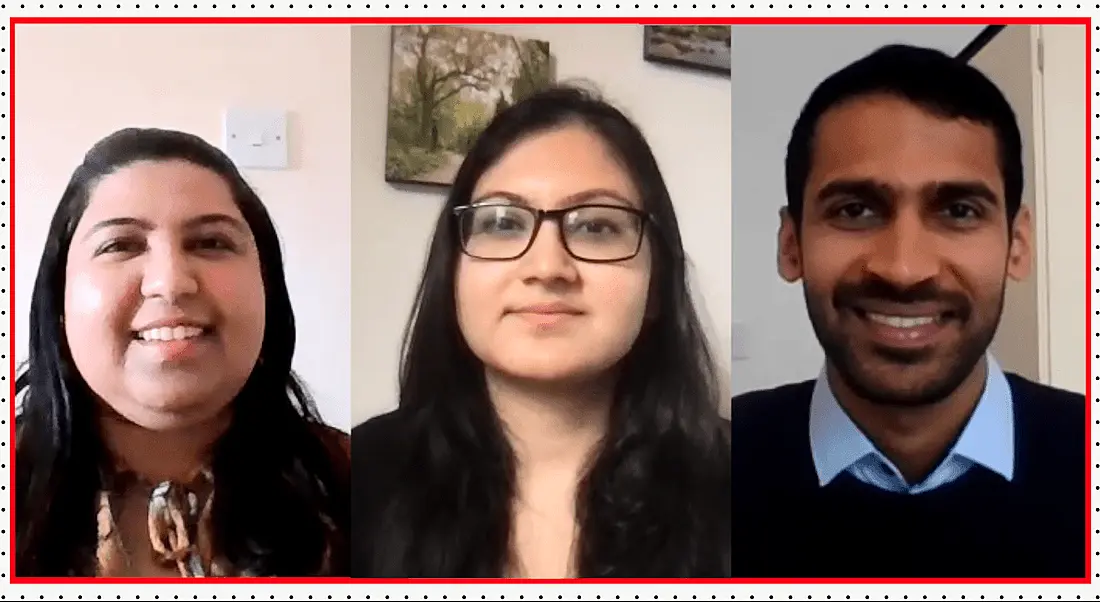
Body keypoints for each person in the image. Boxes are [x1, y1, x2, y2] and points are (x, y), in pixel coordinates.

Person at [729, 44, 1086, 578]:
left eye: (959, 211)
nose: (903, 269)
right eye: (855, 210)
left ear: (1017, 244)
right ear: (790, 244)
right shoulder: (700, 471)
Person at [350, 85, 731, 578]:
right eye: (504, 222)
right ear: (455, 275)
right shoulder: (353, 477)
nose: (548, 266)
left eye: (595, 227)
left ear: (656, 285)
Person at [15, 128, 350, 577]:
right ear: (58, 299)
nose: (170, 282)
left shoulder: (363, 485)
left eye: (211, 243)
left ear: (267, 289)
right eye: (121, 245)